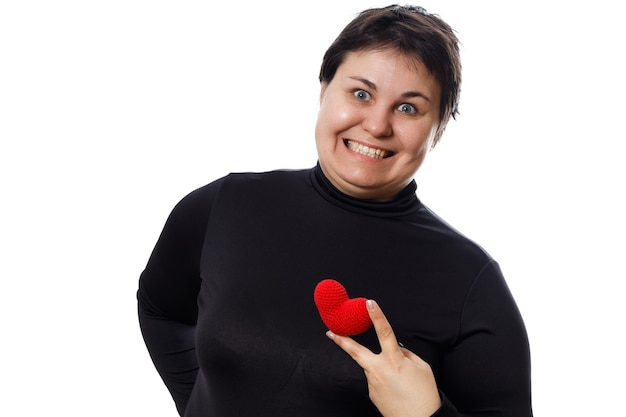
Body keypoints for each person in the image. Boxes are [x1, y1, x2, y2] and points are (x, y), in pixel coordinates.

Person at [137, 4, 533, 416]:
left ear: (438, 128)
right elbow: (159, 309)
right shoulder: (226, 204)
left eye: (408, 107)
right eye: (361, 93)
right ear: (324, 88)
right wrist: (197, 402)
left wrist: (427, 415)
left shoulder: (470, 282)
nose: (377, 125)